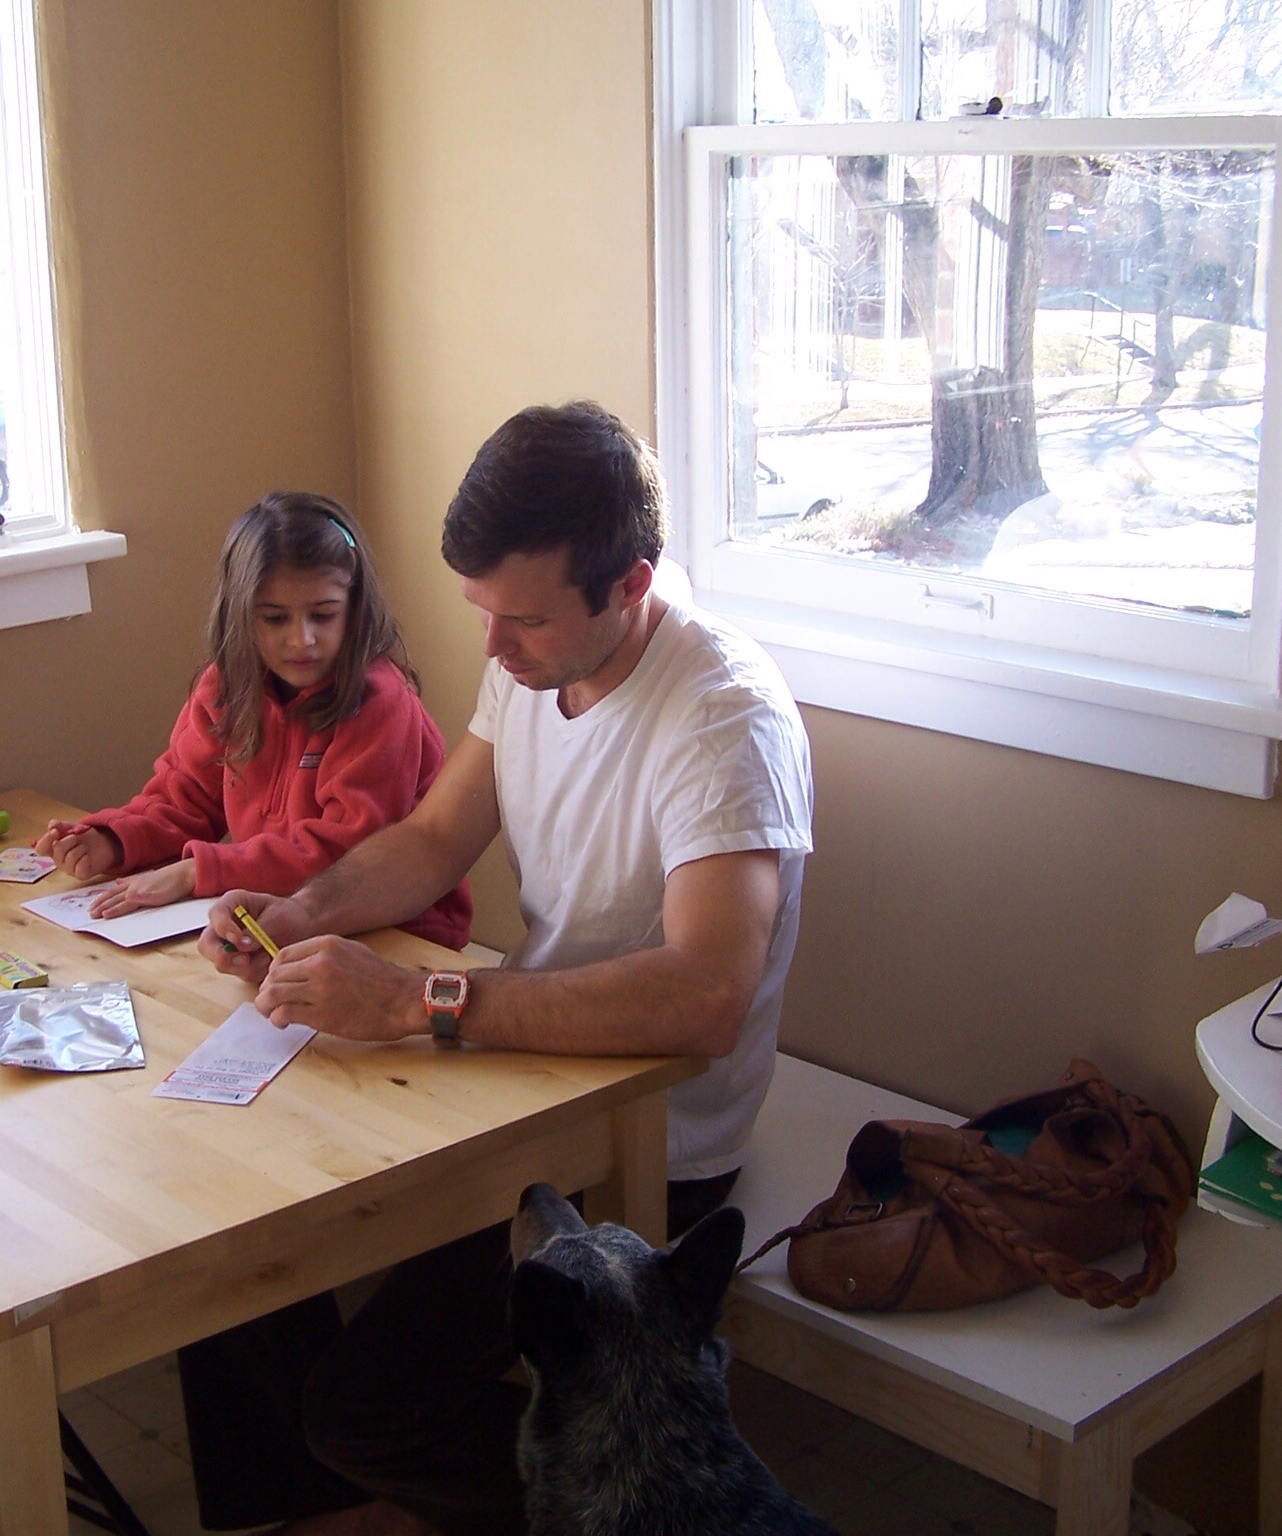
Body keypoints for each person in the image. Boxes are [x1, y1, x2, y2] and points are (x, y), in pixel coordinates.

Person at [181, 403, 814, 1536]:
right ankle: (333, 1509)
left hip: (647, 1129)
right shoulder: (537, 656)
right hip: (519, 1075)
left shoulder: (721, 719)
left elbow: (704, 998)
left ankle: (598, 1509)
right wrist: (296, 912)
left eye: (519, 618)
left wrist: (416, 1001)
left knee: (362, 1414)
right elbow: (433, 839)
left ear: (628, 585)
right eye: (481, 610)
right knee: (225, 1221)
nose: (490, 646)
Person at [35, 491, 471, 950]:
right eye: (275, 619)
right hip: (277, 911)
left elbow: (345, 854)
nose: (301, 639)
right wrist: (115, 839)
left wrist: (197, 871)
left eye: (323, 615)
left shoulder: (381, 703)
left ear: (355, 608)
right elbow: (184, 798)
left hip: (395, 930)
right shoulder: (225, 687)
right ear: (240, 615)